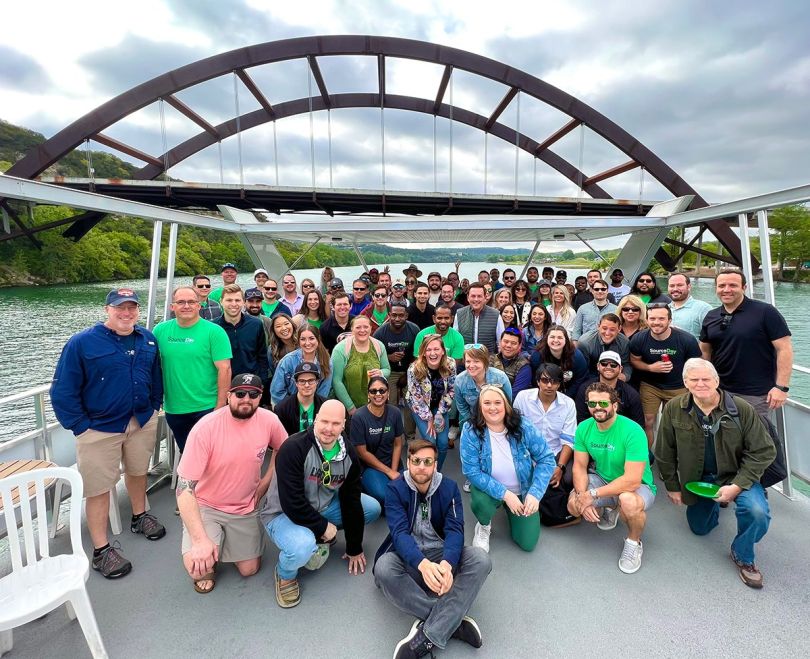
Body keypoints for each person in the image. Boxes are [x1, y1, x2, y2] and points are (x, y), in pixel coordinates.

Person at [51, 287, 165, 579]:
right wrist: (80, 426)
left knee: (138, 472)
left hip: (140, 420)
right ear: (107, 309)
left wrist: (153, 407)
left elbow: (155, 378)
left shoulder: (148, 339)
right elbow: (63, 389)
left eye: (132, 308)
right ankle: (101, 550)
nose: (126, 313)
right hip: (99, 428)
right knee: (99, 488)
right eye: (120, 307)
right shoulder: (81, 343)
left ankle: (139, 517)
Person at [655, 358, 776, 588]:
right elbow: (664, 450)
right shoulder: (674, 408)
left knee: (757, 512)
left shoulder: (741, 409)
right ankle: (717, 502)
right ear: (685, 383)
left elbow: (764, 451)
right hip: (697, 479)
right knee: (700, 528)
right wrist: (672, 485)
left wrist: (737, 486)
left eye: (706, 378)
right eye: (694, 379)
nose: (701, 384)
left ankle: (743, 555)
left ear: (717, 380)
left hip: (736, 476)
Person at [374, 439, 491, 659]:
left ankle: (428, 635)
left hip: (441, 557)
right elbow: (399, 534)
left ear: (435, 465)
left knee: (480, 559)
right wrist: (422, 564)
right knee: (383, 568)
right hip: (410, 559)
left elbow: (456, 530)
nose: (421, 466)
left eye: (427, 461)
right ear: (408, 462)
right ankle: (452, 623)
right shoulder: (395, 489)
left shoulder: (448, 488)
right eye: (416, 461)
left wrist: (447, 564)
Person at [261, 400, 382, 608]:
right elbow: (292, 503)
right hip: (282, 513)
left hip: (322, 506)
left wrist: (354, 547)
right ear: (315, 420)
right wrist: (323, 527)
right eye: (324, 421)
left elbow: (351, 499)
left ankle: (318, 535)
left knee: (371, 508)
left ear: (344, 425)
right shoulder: (293, 448)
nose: (328, 429)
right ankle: (285, 574)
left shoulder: (349, 454)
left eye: (335, 423)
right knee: (302, 546)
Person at [176, 373, 287, 593]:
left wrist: (264, 483)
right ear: (228, 396)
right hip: (207, 505)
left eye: (253, 394)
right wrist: (199, 541)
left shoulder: (269, 420)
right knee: (199, 569)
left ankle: (218, 540)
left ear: (260, 396)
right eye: (240, 393)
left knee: (249, 569)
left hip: (244, 508)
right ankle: (207, 536)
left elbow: (284, 450)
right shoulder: (205, 428)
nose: (246, 398)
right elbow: (184, 489)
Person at [567, 382, 656, 574]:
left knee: (628, 502)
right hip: (603, 479)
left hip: (638, 486)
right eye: (592, 404)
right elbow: (580, 467)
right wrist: (583, 497)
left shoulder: (632, 431)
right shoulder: (584, 428)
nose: (597, 407)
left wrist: (592, 494)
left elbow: (632, 480)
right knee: (573, 506)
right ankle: (610, 506)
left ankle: (634, 542)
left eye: (603, 403)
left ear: (614, 405)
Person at [460, 385, 556, 553]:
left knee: (528, 543)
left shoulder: (523, 426)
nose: (492, 408)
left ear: (506, 405)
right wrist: (506, 494)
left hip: (522, 489)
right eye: (487, 403)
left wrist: (535, 493)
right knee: (481, 502)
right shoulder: (471, 430)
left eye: (498, 402)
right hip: (490, 489)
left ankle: (513, 510)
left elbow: (546, 459)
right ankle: (484, 525)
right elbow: (471, 471)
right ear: (480, 407)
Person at [699, 270, 792, 418]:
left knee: (754, 438)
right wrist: (702, 382)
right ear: (716, 288)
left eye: (733, 285)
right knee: (723, 435)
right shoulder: (712, 316)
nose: (726, 290)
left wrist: (781, 387)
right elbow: (705, 352)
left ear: (744, 288)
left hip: (755, 393)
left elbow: (784, 349)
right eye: (721, 285)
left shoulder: (765, 312)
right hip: (718, 390)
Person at [153, 286, 232, 453]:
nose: (186, 306)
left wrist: (220, 406)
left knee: (212, 454)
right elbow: (152, 367)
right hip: (174, 408)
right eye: (181, 302)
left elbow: (224, 369)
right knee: (188, 454)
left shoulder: (215, 332)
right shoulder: (159, 331)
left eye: (191, 302)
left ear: (199, 305)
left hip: (207, 407)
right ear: (172, 307)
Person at [514, 364, 578, 526]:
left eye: (554, 381)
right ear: (537, 381)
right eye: (545, 380)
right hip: (526, 453)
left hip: (554, 454)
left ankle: (572, 502)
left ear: (559, 384)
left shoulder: (568, 404)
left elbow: (568, 440)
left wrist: (560, 467)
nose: (549, 385)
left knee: (568, 477)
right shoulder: (522, 398)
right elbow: (514, 430)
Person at [630, 304, 701, 447]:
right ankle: (646, 455)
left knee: (676, 423)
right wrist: (650, 367)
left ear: (670, 320)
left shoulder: (686, 339)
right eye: (652, 318)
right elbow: (634, 360)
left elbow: (695, 364)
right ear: (647, 319)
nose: (656, 322)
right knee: (647, 420)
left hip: (678, 386)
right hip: (650, 385)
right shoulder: (639, 339)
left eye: (661, 318)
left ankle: (673, 456)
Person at [350, 376, 405, 506]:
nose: (378, 394)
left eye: (382, 390)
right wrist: (389, 472)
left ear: (388, 393)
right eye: (373, 391)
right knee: (385, 495)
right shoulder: (359, 417)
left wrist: (394, 470)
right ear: (368, 394)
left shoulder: (395, 412)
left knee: (407, 492)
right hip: (370, 467)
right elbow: (362, 453)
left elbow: (398, 444)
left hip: (393, 462)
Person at [406, 335, 457, 469]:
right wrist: (429, 418)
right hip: (420, 406)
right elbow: (416, 397)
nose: (433, 353)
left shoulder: (450, 364)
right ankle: (428, 471)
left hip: (441, 404)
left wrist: (440, 413)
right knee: (431, 440)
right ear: (423, 352)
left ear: (442, 351)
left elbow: (451, 389)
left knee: (443, 443)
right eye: (428, 350)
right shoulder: (414, 369)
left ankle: (436, 472)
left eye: (436, 349)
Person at [374, 301, 421, 438]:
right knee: (390, 404)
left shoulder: (414, 330)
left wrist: (408, 374)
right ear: (389, 315)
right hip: (390, 371)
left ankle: (410, 435)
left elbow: (419, 355)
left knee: (411, 402)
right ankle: (393, 435)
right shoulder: (380, 333)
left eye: (401, 315)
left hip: (410, 371)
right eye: (394, 315)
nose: (397, 319)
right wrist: (389, 357)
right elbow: (376, 357)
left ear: (406, 315)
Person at [331, 315, 392, 414]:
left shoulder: (378, 345)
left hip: (375, 404)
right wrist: (350, 408)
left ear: (371, 328)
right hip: (348, 407)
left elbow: (387, 370)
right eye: (358, 327)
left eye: (366, 327)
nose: (362, 330)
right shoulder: (341, 349)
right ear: (352, 329)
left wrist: (381, 372)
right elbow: (336, 381)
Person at [214, 284, 269, 389]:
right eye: (229, 300)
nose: (233, 304)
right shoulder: (213, 328)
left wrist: (262, 380)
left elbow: (262, 356)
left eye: (237, 300)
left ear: (243, 302)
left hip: (251, 382)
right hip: (223, 384)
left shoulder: (256, 324)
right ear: (221, 301)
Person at [575, 351, 644, 427]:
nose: (608, 367)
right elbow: (580, 420)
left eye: (613, 365)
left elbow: (638, 426)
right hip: (592, 434)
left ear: (620, 369)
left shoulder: (631, 394)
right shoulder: (584, 389)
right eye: (604, 364)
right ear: (598, 366)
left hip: (621, 435)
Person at [270, 325, 332, 405]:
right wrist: (293, 408)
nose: (307, 343)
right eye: (303, 339)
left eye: (311, 338)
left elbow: (323, 392)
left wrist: (312, 409)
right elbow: (277, 392)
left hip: (314, 406)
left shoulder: (326, 362)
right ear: (298, 341)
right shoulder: (288, 361)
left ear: (318, 340)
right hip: (287, 405)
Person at [454, 345, 512, 429]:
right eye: (468, 361)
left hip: (498, 418)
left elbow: (508, 403)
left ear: (485, 362)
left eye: (476, 361)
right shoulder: (459, 381)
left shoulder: (500, 378)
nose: (471, 365)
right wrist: (474, 422)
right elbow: (462, 406)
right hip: (472, 419)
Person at [531, 325, 588, 398]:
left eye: (560, 337)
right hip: (544, 392)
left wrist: (566, 397)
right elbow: (535, 379)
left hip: (570, 394)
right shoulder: (537, 356)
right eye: (552, 337)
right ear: (546, 339)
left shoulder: (576, 356)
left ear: (566, 340)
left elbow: (580, 379)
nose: (555, 340)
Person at [274, 362, 327, 436]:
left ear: (317, 382)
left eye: (311, 380)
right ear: (296, 383)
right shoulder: (282, 408)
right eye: (302, 381)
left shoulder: (326, 406)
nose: (307, 385)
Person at [576, 313, 633, 382]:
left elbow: (626, 364)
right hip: (591, 377)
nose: (607, 333)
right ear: (598, 326)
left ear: (619, 329)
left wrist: (624, 376)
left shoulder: (624, 342)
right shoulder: (585, 342)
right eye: (604, 328)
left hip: (615, 377)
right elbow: (582, 370)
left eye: (612, 329)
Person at [453, 283, 504, 354]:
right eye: (473, 296)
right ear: (468, 297)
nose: (476, 299)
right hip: (466, 361)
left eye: (479, 296)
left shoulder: (496, 315)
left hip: (488, 361)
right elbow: (456, 341)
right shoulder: (459, 314)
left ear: (485, 297)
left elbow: (501, 343)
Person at [489, 327, 532, 397]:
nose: (508, 345)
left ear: (519, 346)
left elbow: (514, 395)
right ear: (500, 342)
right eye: (505, 341)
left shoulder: (524, 366)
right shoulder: (490, 359)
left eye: (513, 343)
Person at [668, 273, 712, 339]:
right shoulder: (665, 308)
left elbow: (712, 337)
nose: (675, 289)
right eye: (672, 286)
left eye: (679, 285)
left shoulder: (703, 309)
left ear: (689, 287)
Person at [267, 313, 297, 378]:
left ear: (292, 325)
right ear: (274, 330)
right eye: (278, 326)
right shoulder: (272, 350)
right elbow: (275, 374)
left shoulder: (303, 342)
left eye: (286, 324)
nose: (284, 328)